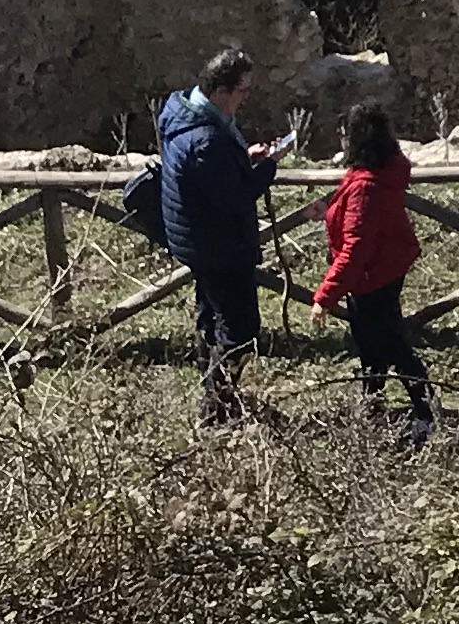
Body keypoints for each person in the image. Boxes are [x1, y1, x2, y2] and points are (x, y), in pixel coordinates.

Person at [156, 44, 292, 424]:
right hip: (221, 247)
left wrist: (241, 158)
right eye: (243, 91)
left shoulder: (183, 113)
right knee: (241, 329)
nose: (246, 99)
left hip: (199, 241)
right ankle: (218, 405)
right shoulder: (205, 140)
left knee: (210, 318)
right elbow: (235, 195)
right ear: (219, 91)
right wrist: (267, 167)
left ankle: (214, 399)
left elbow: (214, 178)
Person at [311, 106, 439, 446]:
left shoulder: (366, 185)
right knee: (373, 344)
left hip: (372, 276)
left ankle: (427, 415)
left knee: (391, 345)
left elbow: (357, 245)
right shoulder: (379, 174)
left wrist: (325, 297)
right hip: (382, 270)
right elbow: (360, 224)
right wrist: (329, 213)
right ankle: (373, 405)